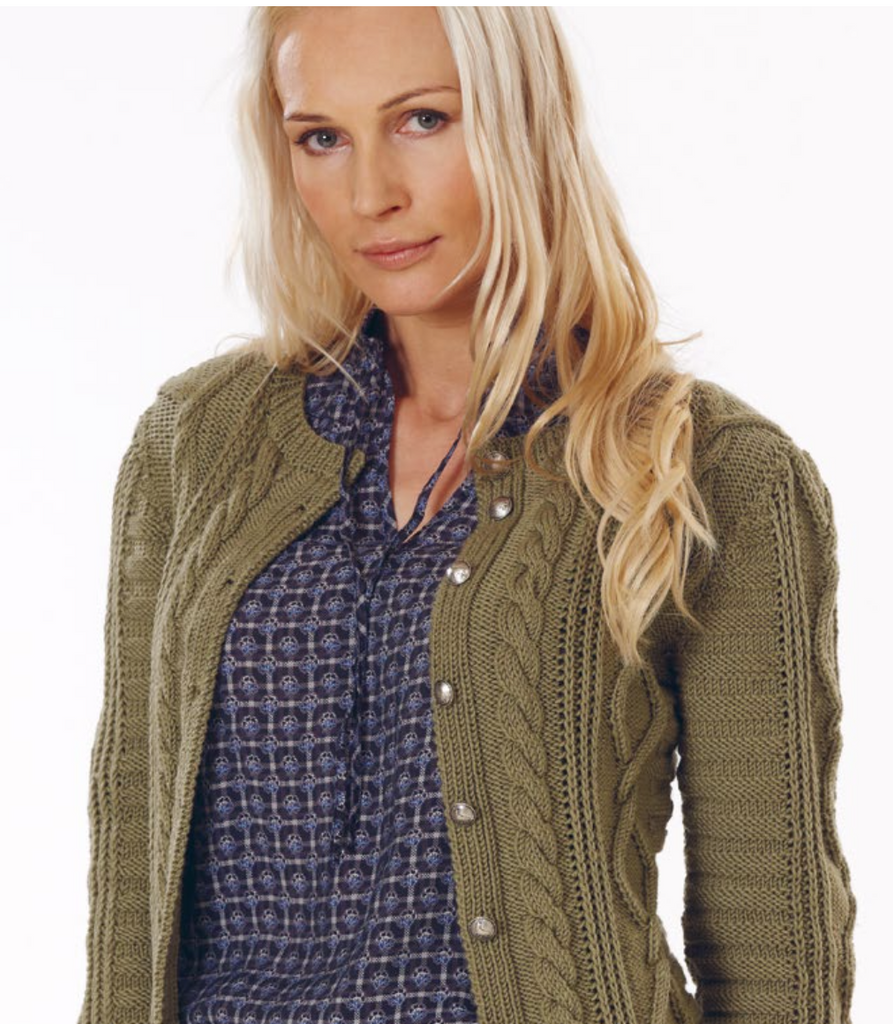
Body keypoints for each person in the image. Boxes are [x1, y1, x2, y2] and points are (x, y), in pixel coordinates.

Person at [76, 8, 857, 1024]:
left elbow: (768, 933)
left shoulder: (706, 470)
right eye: (322, 137)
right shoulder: (197, 444)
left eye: (423, 120)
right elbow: (132, 871)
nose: (371, 194)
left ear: (523, 122)